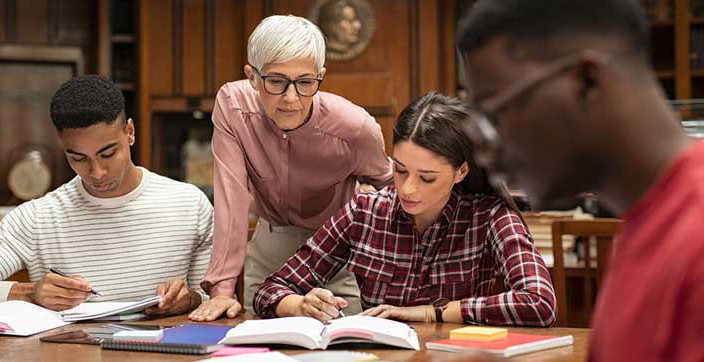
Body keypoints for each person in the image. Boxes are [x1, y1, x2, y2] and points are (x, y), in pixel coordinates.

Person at [457, 0, 704, 360]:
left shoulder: (695, 238)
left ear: (585, 80)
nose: (484, 152)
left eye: (494, 115)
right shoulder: (642, 226)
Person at [253, 92, 556, 327]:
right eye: (400, 170)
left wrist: (433, 314)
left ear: (461, 171)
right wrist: (298, 304)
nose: (408, 189)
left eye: (427, 177)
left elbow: (539, 303)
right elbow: (271, 289)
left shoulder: (491, 217)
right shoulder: (364, 212)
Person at [0, 75, 214, 317]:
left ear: (129, 132)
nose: (96, 172)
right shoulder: (39, 217)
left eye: (108, 154)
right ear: (63, 147)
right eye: (78, 157)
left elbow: (216, 302)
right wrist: (28, 294)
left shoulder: (190, 205)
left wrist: (187, 300)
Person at [190, 15, 392, 321]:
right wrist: (222, 290)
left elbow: (394, 191)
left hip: (338, 253)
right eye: (275, 81)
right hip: (268, 248)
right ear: (252, 76)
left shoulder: (356, 128)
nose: (290, 98)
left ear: (320, 76)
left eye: (305, 82)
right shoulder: (232, 106)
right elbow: (232, 198)